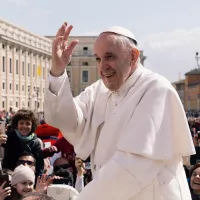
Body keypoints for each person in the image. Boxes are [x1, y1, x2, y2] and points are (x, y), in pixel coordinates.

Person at [44, 22, 195, 200]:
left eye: (109, 57)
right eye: (98, 59)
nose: (103, 67)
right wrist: (58, 72)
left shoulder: (156, 89)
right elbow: (64, 119)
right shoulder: (98, 90)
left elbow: (131, 167)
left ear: (133, 56)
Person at [0, 109, 44, 177]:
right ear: (17, 125)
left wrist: (38, 181)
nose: (24, 126)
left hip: (28, 177)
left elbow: (39, 164)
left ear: (32, 126)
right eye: (21, 123)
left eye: (28, 123)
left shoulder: (36, 142)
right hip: (9, 175)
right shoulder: (8, 137)